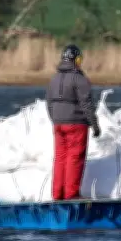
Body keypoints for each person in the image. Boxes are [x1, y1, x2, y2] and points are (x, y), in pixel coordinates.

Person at [46, 44, 101, 201]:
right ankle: (71, 195)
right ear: (76, 59)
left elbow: (49, 103)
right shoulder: (80, 79)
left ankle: (57, 195)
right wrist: (94, 124)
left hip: (58, 125)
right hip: (76, 124)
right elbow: (86, 104)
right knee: (75, 158)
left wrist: (55, 119)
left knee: (60, 158)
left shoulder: (53, 79)